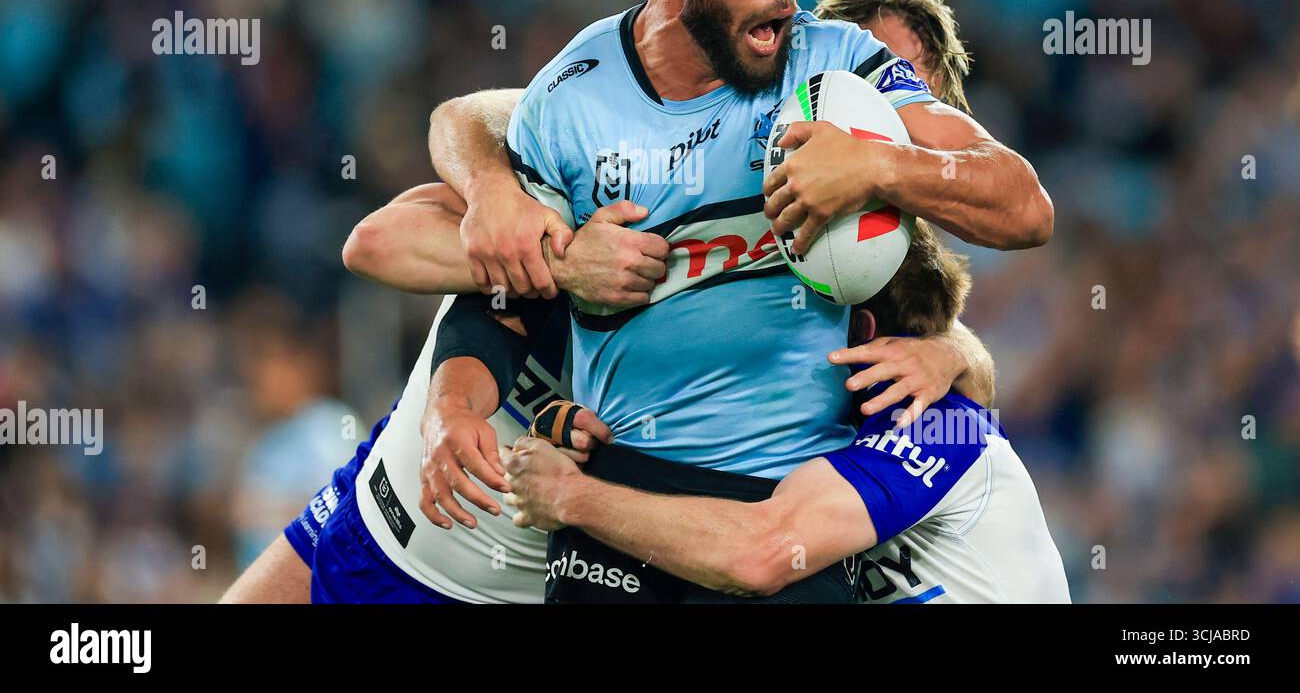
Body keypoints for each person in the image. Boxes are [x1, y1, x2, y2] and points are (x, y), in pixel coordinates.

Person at [427, 0, 1052, 600]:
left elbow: (1024, 205)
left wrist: (879, 167)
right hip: (617, 509)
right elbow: (499, 299)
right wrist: (454, 410)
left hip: (795, 511)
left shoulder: (839, 67)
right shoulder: (571, 101)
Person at [221, 185, 993, 603]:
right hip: (371, 512)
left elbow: (975, 419)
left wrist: (951, 352)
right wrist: (560, 263)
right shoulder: (609, 185)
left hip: (486, 587)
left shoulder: (831, 362)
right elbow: (378, 243)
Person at [502, 222, 1070, 604]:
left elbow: (759, 554)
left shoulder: (935, 427)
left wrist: (573, 497)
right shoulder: (866, 412)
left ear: (861, 332)